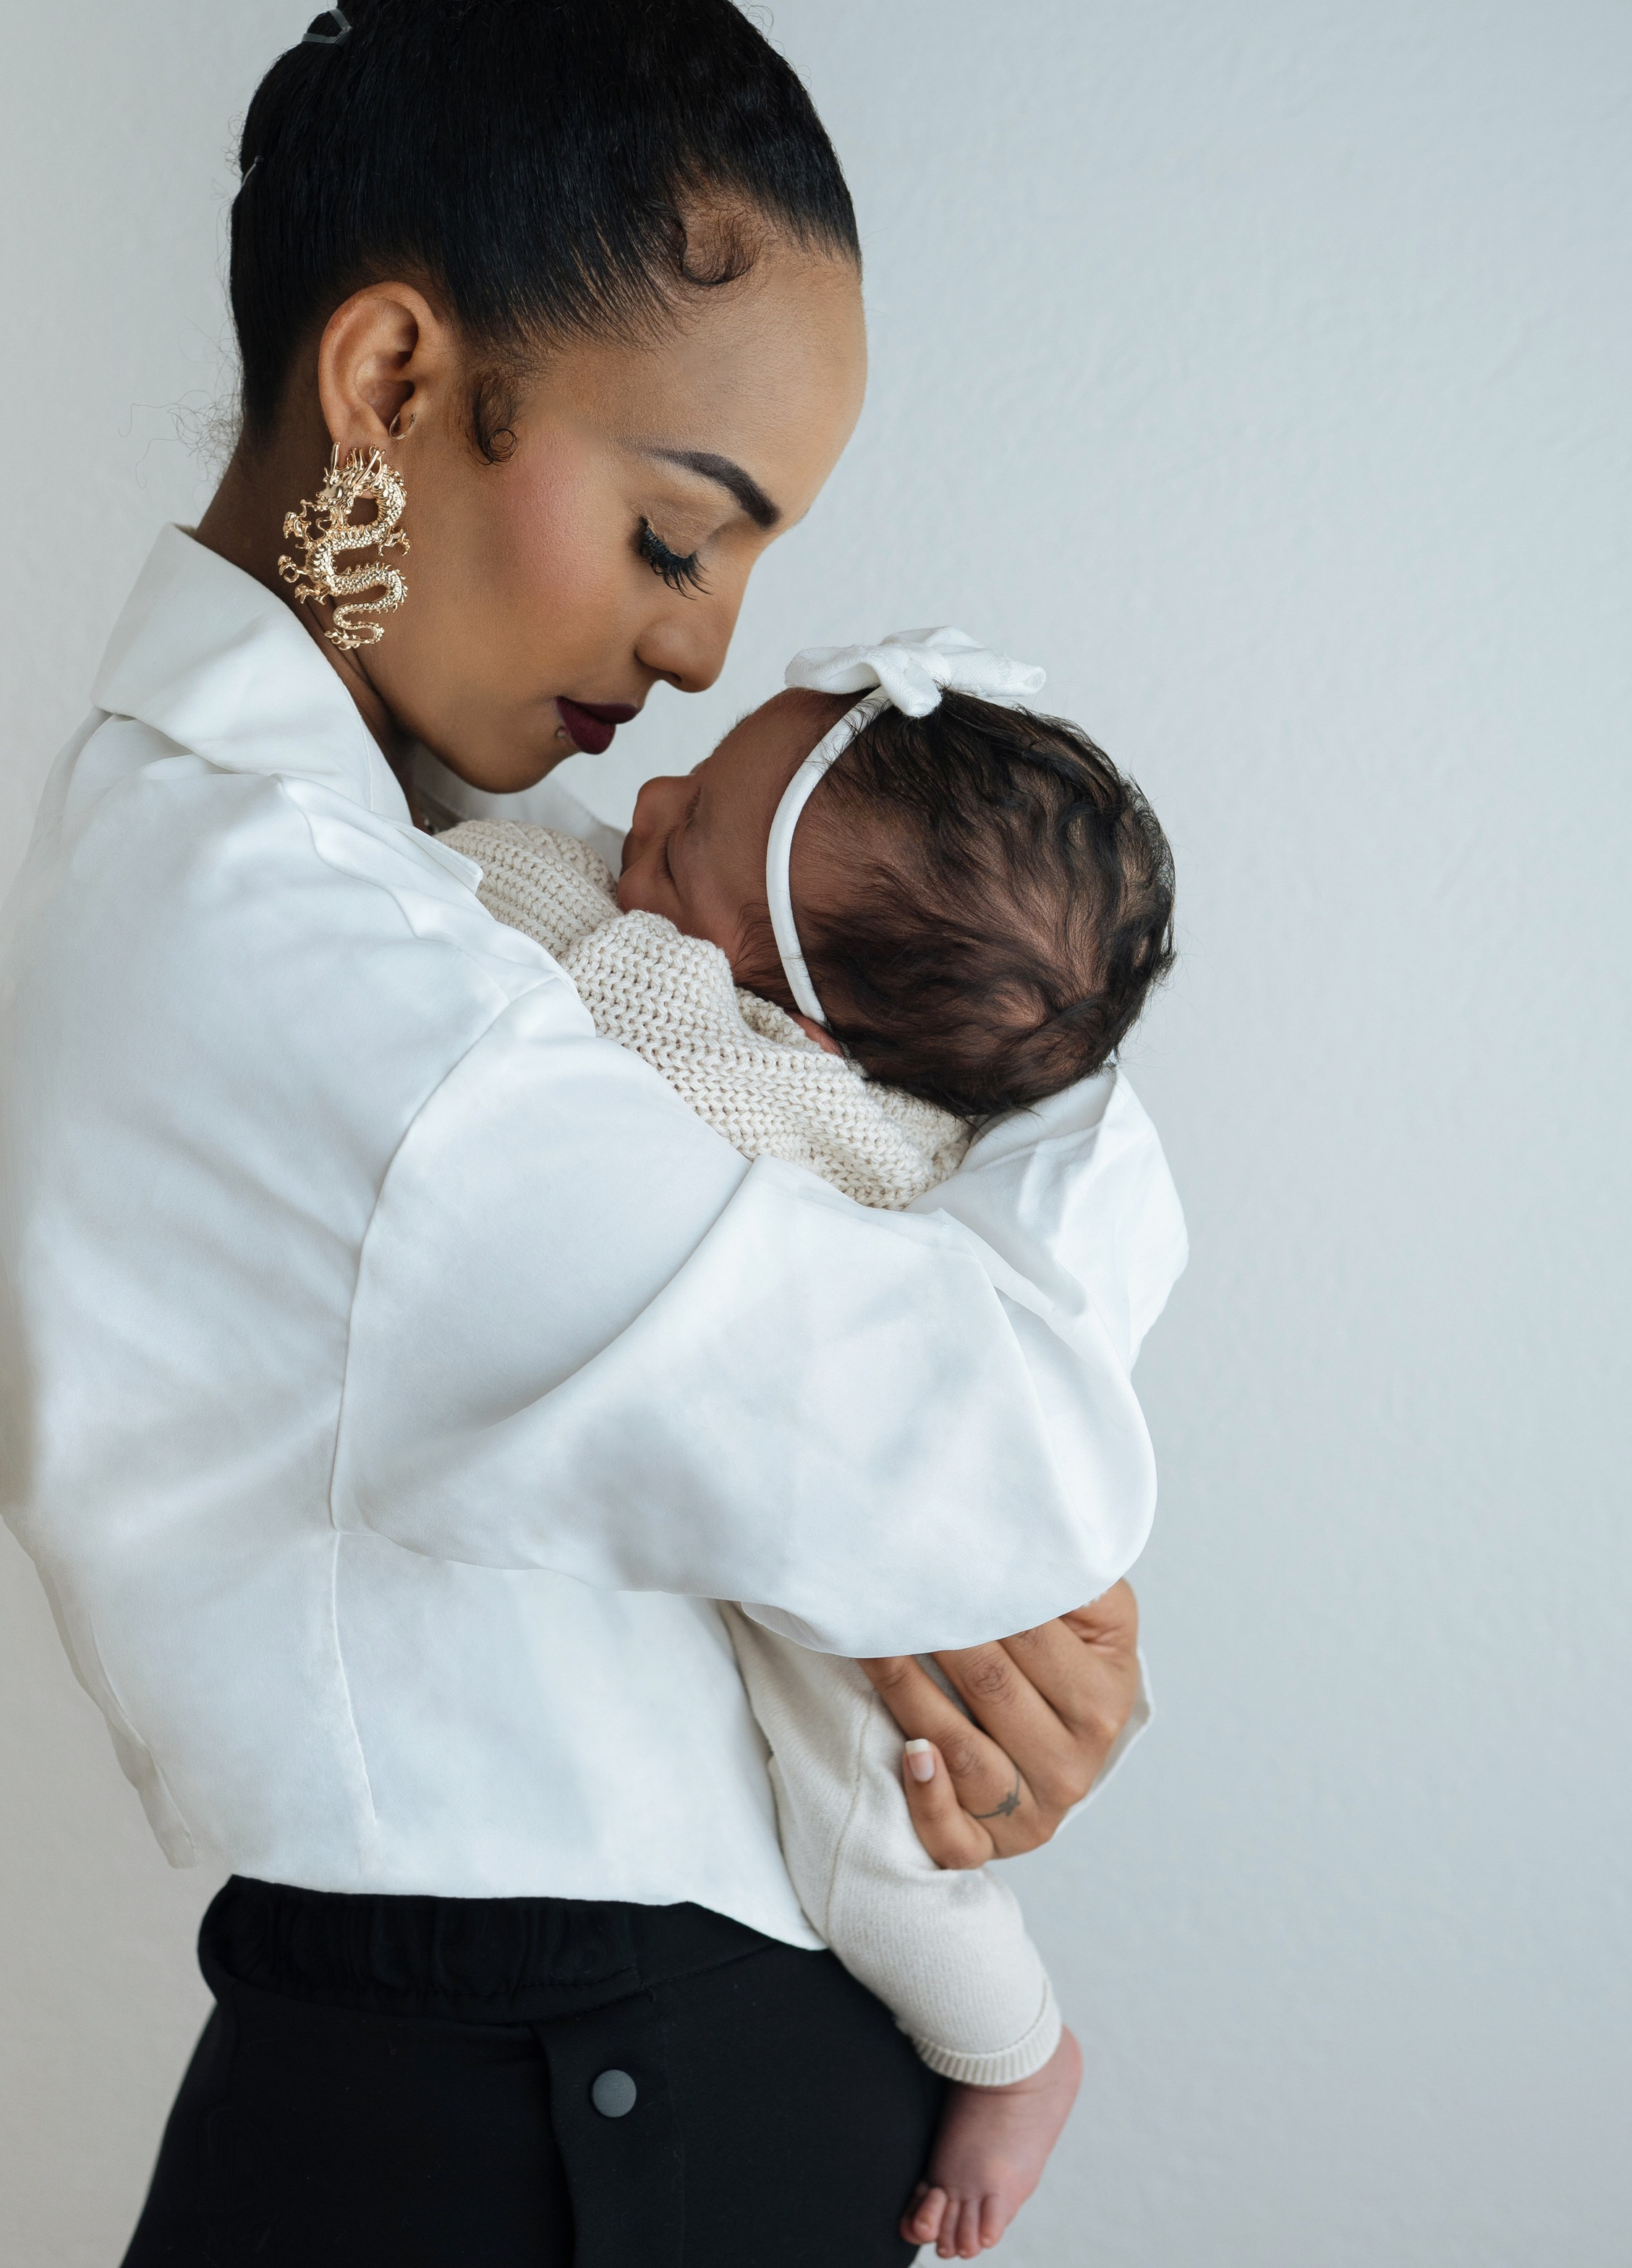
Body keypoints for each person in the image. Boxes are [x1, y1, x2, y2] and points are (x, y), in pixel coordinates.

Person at [0, 0, 1160, 2266]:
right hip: (540, 2133)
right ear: (392, 380)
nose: (709, 653)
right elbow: (1014, 1478)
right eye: (672, 525)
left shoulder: (387, 888)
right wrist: (1044, 1593)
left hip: (582, 2113)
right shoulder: (311, 963)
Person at [448, 629, 1183, 2259]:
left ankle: (1012, 2046)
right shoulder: (819, 1027)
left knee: (873, 1825)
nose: (637, 798)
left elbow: (553, 933)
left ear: (786, 1004)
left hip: (863, 1593)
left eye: (689, 818)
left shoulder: (732, 1054)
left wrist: (495, 868)